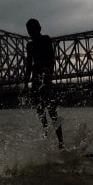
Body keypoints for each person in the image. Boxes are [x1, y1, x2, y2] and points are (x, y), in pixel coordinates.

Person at [25, 18, 64, 148]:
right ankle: (48, 136)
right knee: (41, 111)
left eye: (32, 30)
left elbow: (51, 60)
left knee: (51, 111)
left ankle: (60, 142)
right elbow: (28, 65)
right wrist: (26, 83)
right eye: (29, 30)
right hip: (36, 81)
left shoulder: (46, 39)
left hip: (43, 80)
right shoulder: (30, 45)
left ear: (39, 29)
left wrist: (47, 77)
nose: (31, 32)